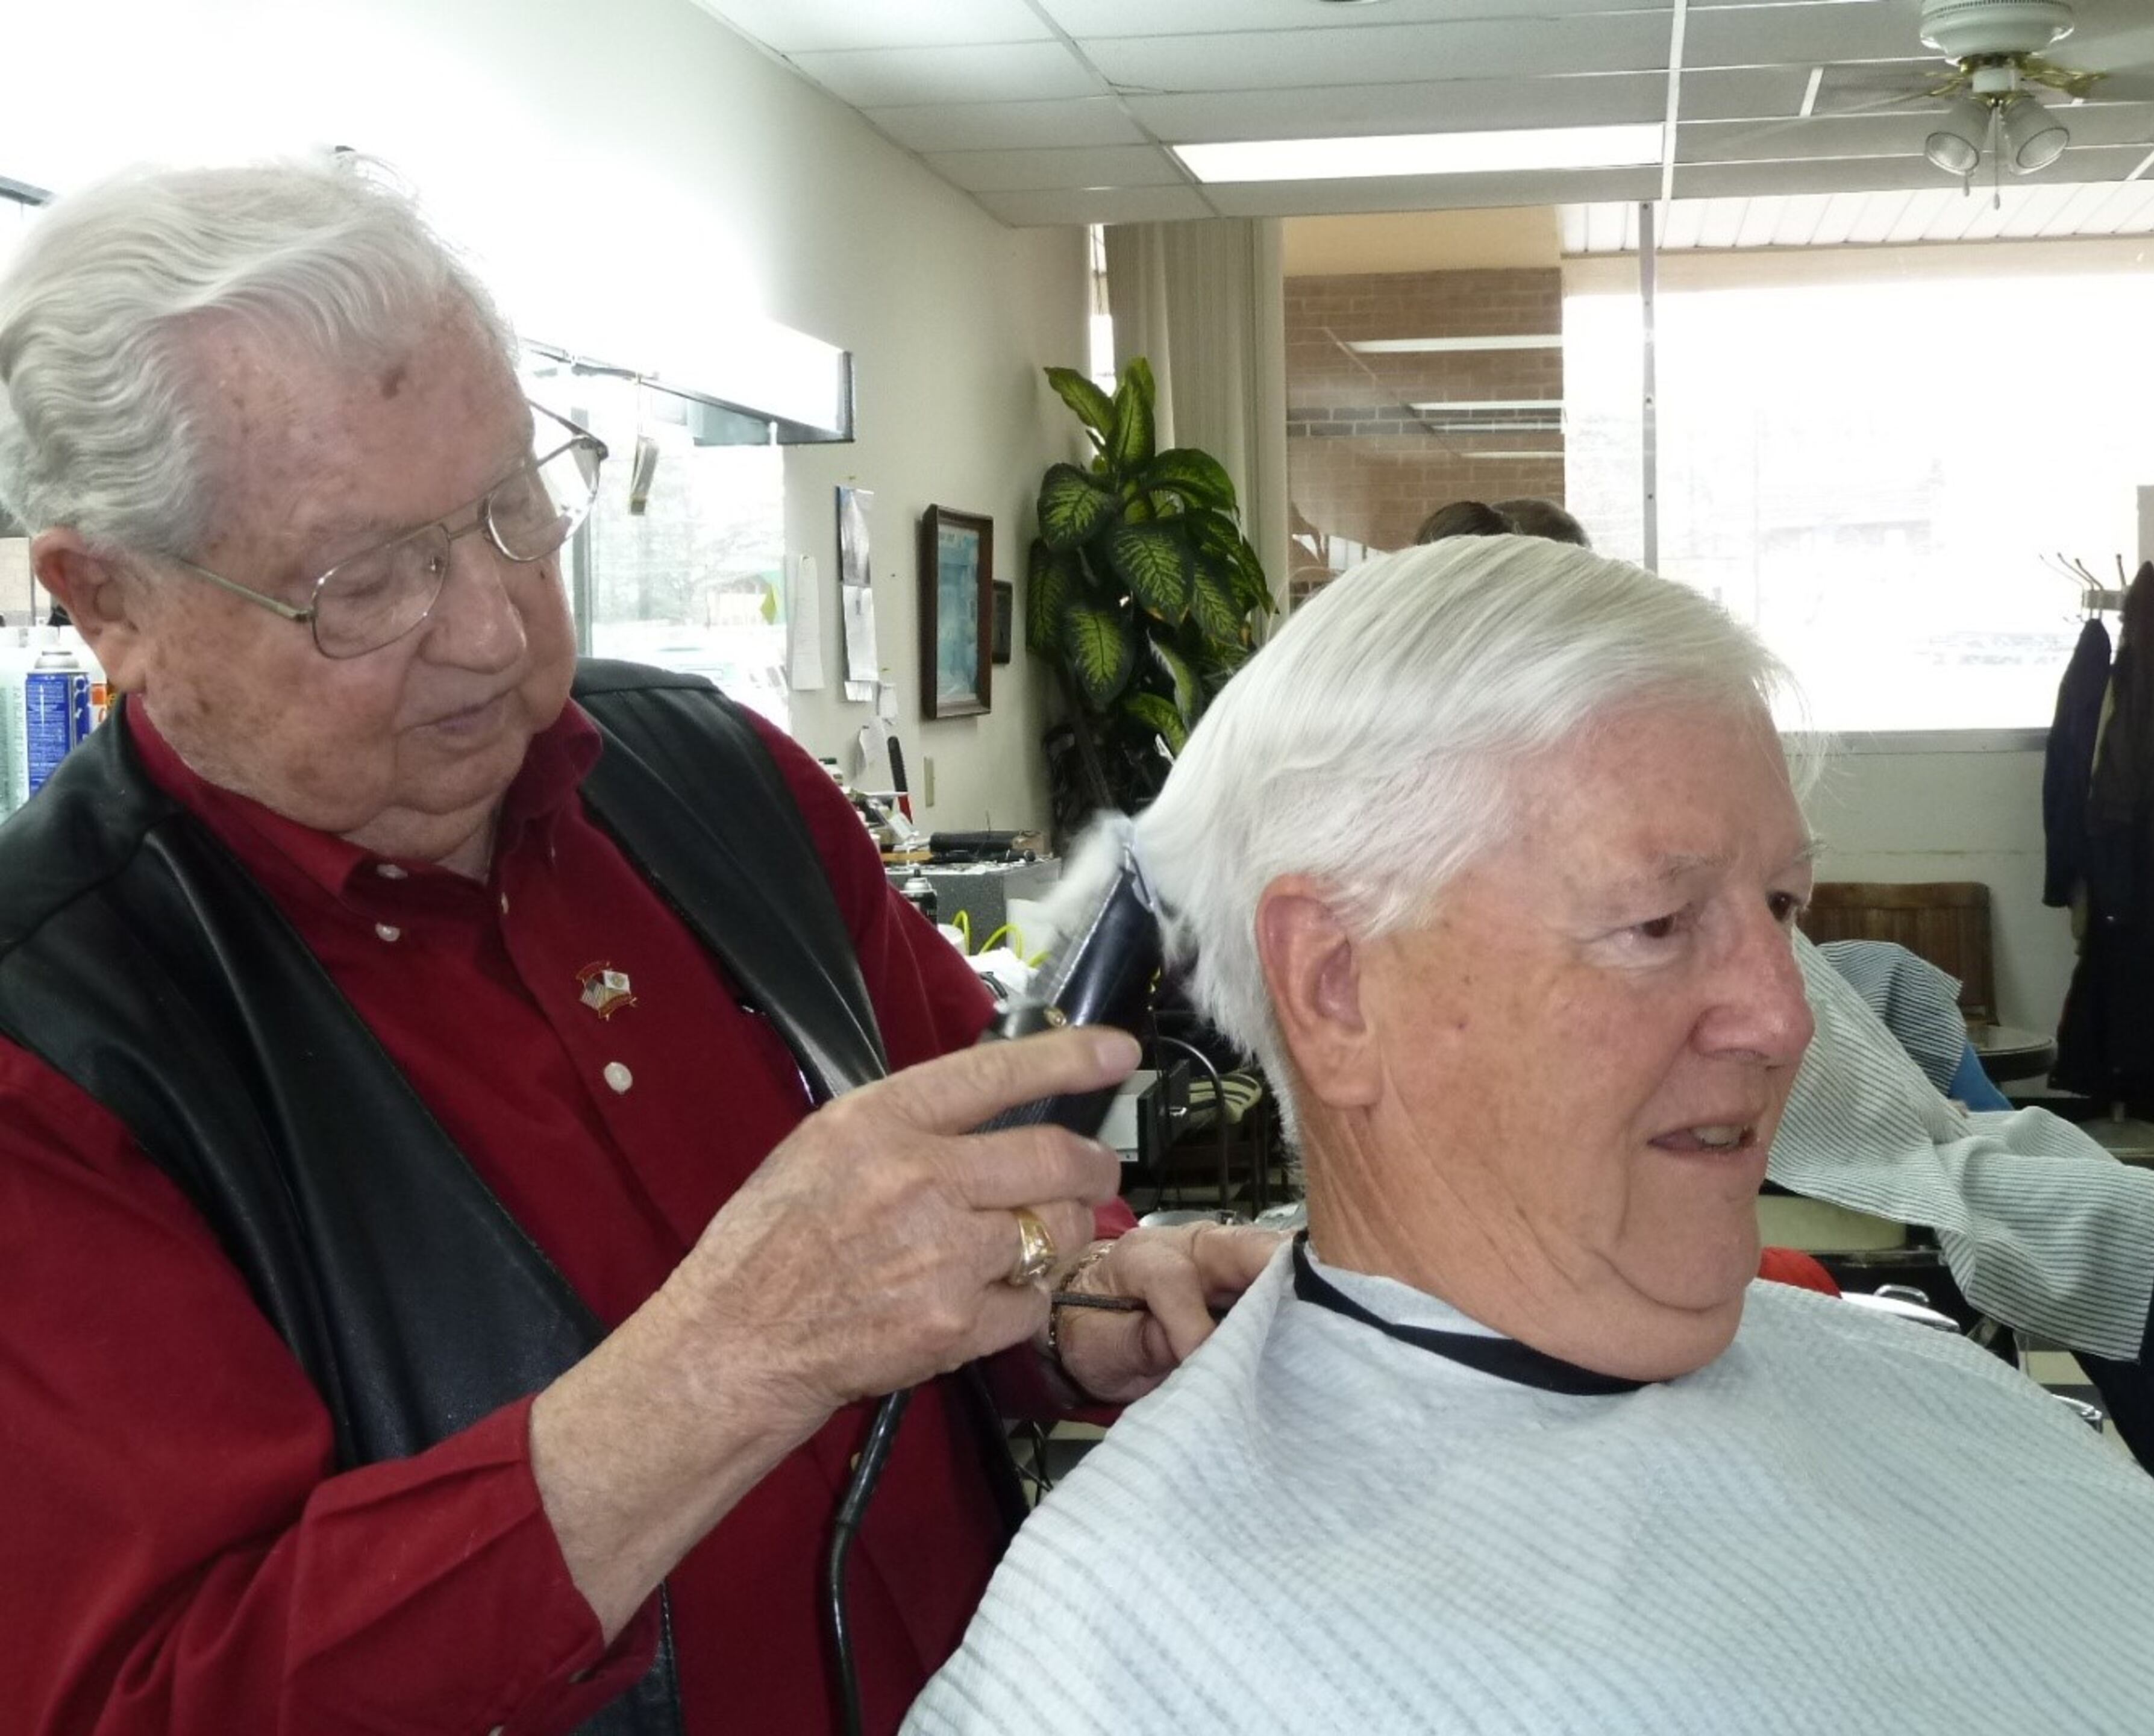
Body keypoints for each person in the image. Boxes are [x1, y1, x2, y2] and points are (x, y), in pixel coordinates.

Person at [0, 157, 1275, 1735]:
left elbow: (1003, 1201)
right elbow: (165, 1697)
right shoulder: (53, 1045)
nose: (494, 629)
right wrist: (724, 1362)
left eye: (513, 508)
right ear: (105, 599)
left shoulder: (715, 780)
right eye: (367, 579)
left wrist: (1083, 1303)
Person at [905, 537, 2154, 1735]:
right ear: (1337, 987)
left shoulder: (1929, 1388)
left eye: (1782, 909)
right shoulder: (1131, 1648)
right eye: (1654, 925)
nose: (1783, 1018)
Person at [1413, 499, 2154, 1571]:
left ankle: (1967, 1129)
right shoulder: (1502, 830)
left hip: (1774, 1086)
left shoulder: (1593, 784)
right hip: (1751, 1130)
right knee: (2093, 1209)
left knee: (1901, 1009)